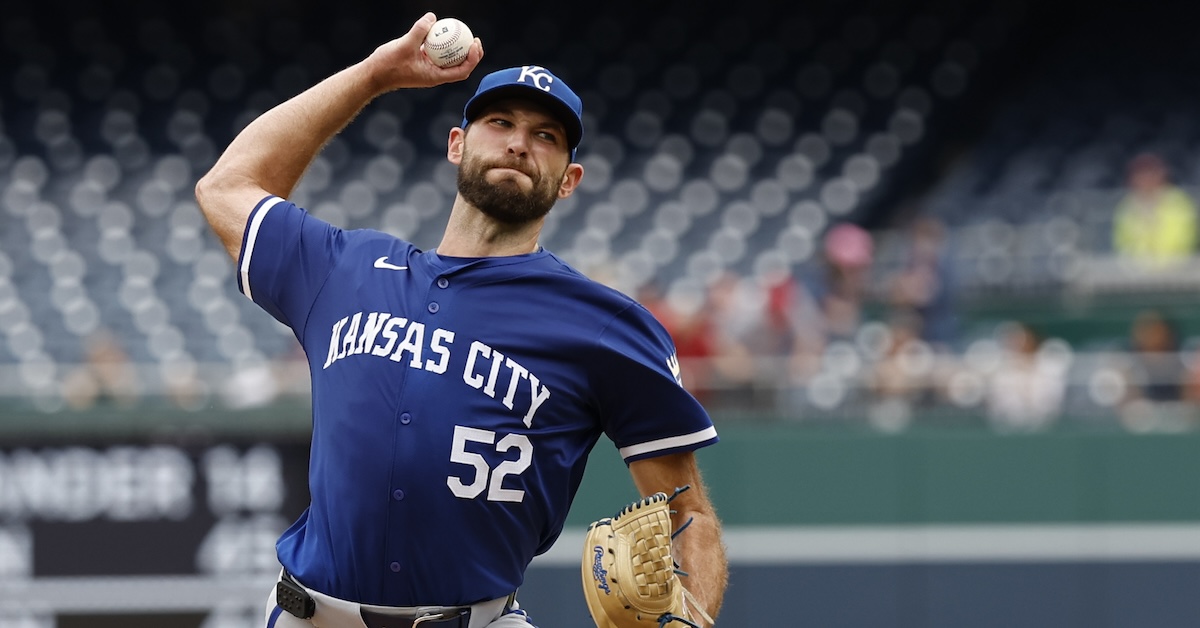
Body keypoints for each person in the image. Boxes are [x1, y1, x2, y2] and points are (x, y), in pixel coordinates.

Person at [194, 13, 727, 628]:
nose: (519, 143)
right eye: (499, 122)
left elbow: (689, 512)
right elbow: (227, 186)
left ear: (568, 181)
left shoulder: (603, 324)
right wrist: (374, 76)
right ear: (457, 143)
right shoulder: (346, 270)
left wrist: (693, 618)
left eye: (547, 135)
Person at [1112, 152, 1198, 267]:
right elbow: (1122, 243)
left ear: (1161, 175)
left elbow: (1184, 241)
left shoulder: (1179, 203)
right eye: (1140, 175)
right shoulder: (1126, 206)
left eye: (1150, 174)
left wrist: (1159, 265)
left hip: (1179, 271)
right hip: (1136, 274)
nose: (1145, 180)